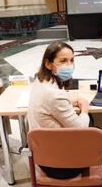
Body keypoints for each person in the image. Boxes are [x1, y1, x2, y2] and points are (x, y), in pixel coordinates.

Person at [28, 42, 90, 179]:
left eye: (71, 60)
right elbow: (81, 129)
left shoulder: (40, 79)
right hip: (62, 167)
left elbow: (52, 100)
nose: (69, 65)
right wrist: (84, 109)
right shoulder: (55, 95)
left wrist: (68, 102)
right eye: (63, 61)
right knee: (90, 122)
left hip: (43, 155)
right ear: (48, 64)